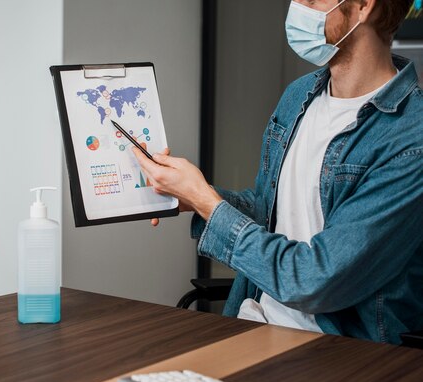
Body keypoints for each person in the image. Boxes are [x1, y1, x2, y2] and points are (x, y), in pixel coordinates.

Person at [132, 0, 423, 344]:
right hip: (255, 323)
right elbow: (271, 212)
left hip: (340, 357)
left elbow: (315, 280)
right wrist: (193, 197)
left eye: (311, 0)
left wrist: (208, 203)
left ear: (362, 6)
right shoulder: (299, 96)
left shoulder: (410, 141)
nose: (296, 7)